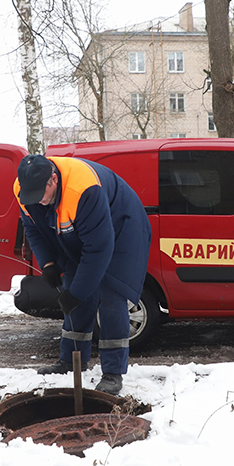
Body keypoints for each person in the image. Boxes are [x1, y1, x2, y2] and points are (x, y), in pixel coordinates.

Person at [14, 154, 151, 395]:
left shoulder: (84, 190)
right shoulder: (24, 189)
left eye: (40, 195)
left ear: (53, 180)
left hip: (121, 228)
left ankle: (113, 373)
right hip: (83, 233)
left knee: (110, 295)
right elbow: (32, 229)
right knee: (73, 291)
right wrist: (47, 264)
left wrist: (77, 293)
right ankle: (70, 360)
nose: (39, 201)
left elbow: (98, 249)